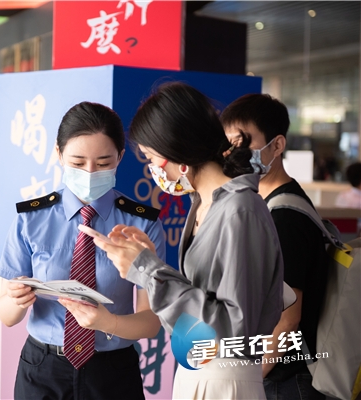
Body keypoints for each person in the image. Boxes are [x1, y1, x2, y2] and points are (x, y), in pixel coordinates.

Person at [94, 83, 284, 399]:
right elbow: (201, 304)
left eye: (151, 158)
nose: (153, 170)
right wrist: (150, 263)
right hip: (198, 373)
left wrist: (148, 271)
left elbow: (234, 328)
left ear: (176, 152)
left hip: (224, 381)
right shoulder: (203, 203)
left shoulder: (240, 209)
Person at [0, 102, 165, 399]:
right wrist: (16, 299)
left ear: (120, 157)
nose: (89, 172)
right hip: (43, 370)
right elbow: (6, 316)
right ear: (58, 154)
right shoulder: (31, 219)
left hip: (113, 372)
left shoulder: (141, 225)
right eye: (77, 163)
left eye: (103, 163)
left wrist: (108, 323)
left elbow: (151, 322)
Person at [221, 93, 328, 400]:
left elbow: (287, 318)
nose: (233, 154)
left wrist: (250, 378)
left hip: (286, 379)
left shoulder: (283, 216)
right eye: (229, 145)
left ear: (277, 145)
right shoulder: (265, 203)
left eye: (243, 143)